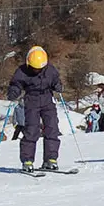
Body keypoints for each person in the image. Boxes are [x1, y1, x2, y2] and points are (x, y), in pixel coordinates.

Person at [6, 45, 63, 173]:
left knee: (52, 128)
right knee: (31, 130)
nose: (37, 71)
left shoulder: (50, 70)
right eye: (34, 68)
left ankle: (51, 159)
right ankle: (27, 161)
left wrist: (58, 86)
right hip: (32, 101)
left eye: (40, 68)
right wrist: (13, 92)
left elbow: (56, 81)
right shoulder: (22, 71)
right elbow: (16, 84)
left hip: (47, 100)